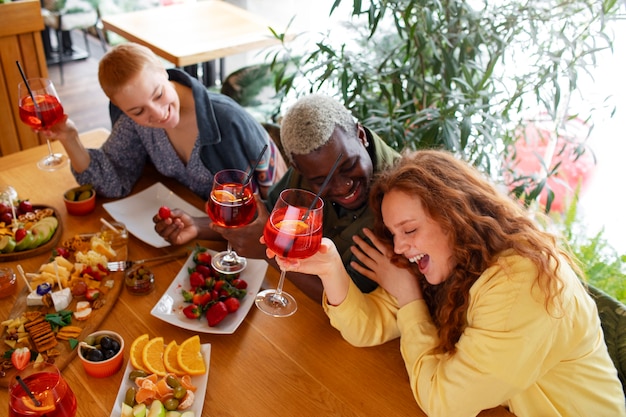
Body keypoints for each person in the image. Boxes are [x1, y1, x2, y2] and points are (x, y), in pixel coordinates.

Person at [266, 149, 626, 416]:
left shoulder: (520, 282)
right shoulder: (448, 262)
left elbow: (444, 403)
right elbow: (366, 327)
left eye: (410, 230)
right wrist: (330, 268)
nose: (401, 247)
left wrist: (409, 299)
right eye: (394, 233)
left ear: (454, 215)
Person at [154, 94, 401, 301]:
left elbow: (355, 298)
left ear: (360, 136)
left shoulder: (403, 199)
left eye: (349, 166)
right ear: (298, 167)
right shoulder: (312, 163)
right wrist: (199, 226)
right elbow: (269, 221)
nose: (341, 186)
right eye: (319, 180)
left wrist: (266, 251)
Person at [44, 42, 282, 200]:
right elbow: (111, 182)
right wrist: (70, 138)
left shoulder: (227, 121)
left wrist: (198, 226)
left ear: (163, 70)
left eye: (158, 94)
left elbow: (252, 212)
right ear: (121, 109)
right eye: (137, 111)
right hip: (189, 227)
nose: (158, 114)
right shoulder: (133, 124)